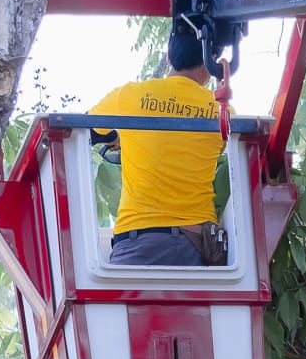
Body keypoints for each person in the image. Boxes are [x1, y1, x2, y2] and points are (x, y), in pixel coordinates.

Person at [90, 30, 227, 265]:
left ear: (169, 56)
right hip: (194, 245)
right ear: (211, 61)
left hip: (135, 242)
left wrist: (117, 136)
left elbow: (86, 131)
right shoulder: (221, 111)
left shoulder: (129, 96)